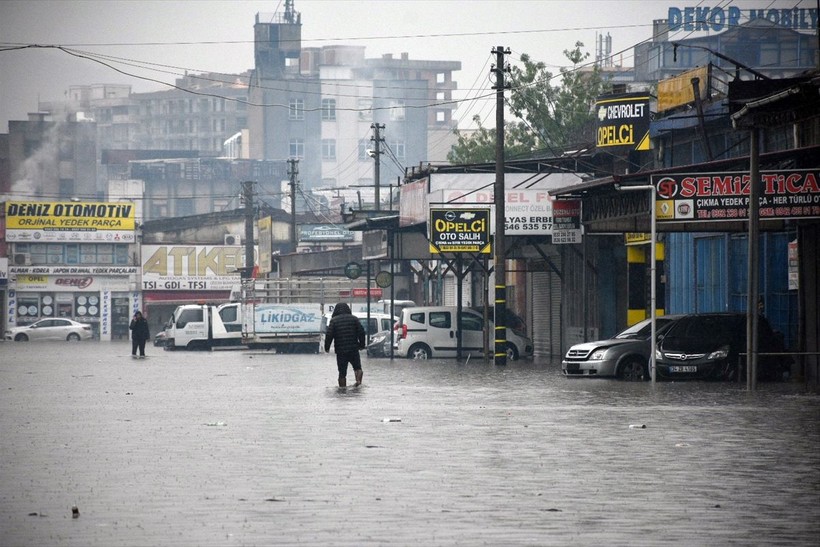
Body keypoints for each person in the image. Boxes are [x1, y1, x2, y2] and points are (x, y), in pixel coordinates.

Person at [324, 302, 366, 387]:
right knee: (358, 367)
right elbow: (361, 332)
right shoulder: (354, 319)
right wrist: (362, 345)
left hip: (341, 351)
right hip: (353, 349)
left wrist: (327, 347)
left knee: (342, 372)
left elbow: (329, 335)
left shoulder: (334, 321)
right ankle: (358, 383)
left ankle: (342, 389)